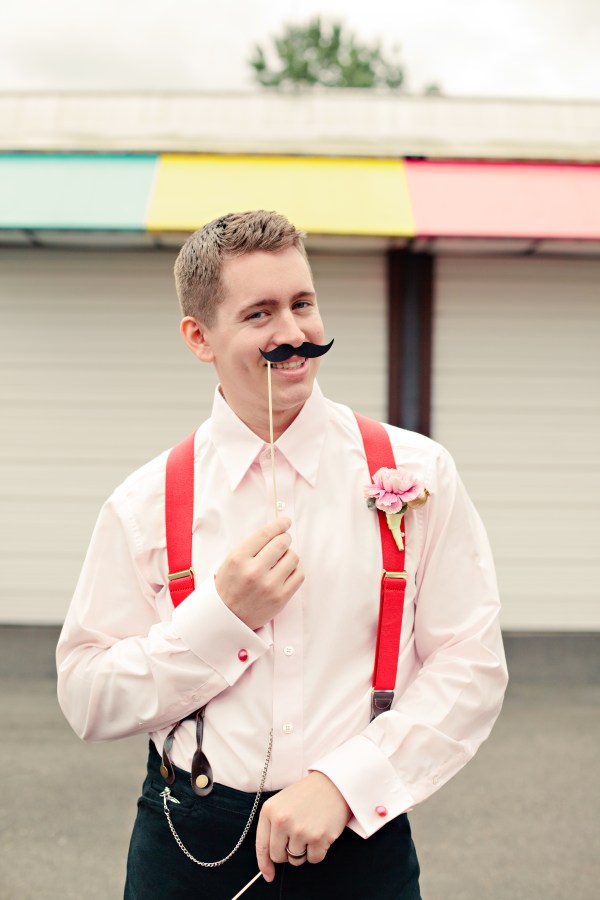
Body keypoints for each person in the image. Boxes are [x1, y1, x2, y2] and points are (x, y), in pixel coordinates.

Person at [56, 210, 508, 899]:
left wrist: (344, 784)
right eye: (260, 314)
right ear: (199, 337)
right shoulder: (143, 503)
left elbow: (470, 664)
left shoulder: (420, 473)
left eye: (302, 303)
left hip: (360, 837)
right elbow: (87, 696)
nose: (293, 334)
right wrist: (221, 618)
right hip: (188, 841)